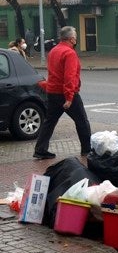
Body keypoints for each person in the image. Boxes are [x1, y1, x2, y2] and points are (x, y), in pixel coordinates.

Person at [33, 26, 91, 159]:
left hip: (52, 92)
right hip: (66, 94)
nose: (76, 38)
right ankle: (87, 150)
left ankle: (40, 150)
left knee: (50, 122)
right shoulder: (69, 53)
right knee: (82, 121)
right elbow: (69, 77)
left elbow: (52, 72)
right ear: (72, 39)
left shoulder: (53, 51)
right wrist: (69, 97)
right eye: (75, 36)